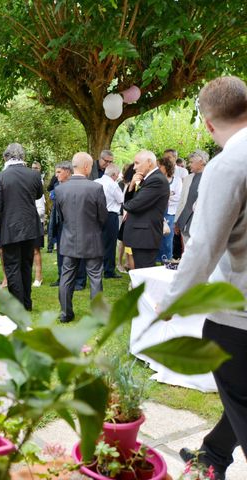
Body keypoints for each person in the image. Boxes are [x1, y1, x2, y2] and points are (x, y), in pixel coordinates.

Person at [161, 75, 247, 480]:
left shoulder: (228, 162)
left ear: (208, 124)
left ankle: (213, 457)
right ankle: (213, 454)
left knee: (240, 396)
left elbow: (203, 245)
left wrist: (174, 299)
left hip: (237, 313)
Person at [0, 144, 43, 310]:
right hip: (30, 226)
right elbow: (39, 194)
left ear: (6, 157)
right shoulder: (34, 175)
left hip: (11, 227)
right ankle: (27, 303)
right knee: (26, 265)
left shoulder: (0, 177)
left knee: (12, 267)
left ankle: (18, 306)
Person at [55, 153, 107, 323]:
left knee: (66, 277)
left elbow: (59, 218)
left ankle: (65, 313)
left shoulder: (60, 189)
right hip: (92, 238)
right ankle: (98, 316)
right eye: (91, 166)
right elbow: (103, 217)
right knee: (95, 278)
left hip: (69, 238)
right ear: (86, 167)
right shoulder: (96, 188)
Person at [122, 150, 170, 269]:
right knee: (141, 273)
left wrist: (128, 204)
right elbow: (130, 202)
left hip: (145, 237)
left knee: (144, 274)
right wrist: (132, 186)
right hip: (142, 236)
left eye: (137, 163)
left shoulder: (156, 180)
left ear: (149, 162)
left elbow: (132, 205)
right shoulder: (149, 179)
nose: (134, 167)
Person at [95, 163, 124, 278]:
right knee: (110, 244)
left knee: (98, 242)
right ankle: (109, 271)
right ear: (114, 174)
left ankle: (96, 268)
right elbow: (121, 199)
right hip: (110, 215)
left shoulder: (96, 182)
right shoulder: (113, 185)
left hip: (96, 215)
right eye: (117, 175)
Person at [175, 149, 209, 244]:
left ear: (201, 162)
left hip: (200, 227)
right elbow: (182, 201)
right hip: (184, 223)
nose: (189, 164)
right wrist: (177, 221)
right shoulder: (187, 178)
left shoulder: (211, 178)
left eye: (191, 162)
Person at [49, 162, 72, 287]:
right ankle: (61, 277)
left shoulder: (73, 185)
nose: (56, 175)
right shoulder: (57, 185)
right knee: (60, 251)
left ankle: (78, 279)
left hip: (71, 223)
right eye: (56, 172)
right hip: (58, 222)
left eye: (59, 172)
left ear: (67, 172)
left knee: (73, 252)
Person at [156, 154, 182, 261]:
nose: (157, 168)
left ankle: (167, 261)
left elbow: (178, 197)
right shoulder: (156, 179)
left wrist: (165, 195)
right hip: (157, 212)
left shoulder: (177, 180)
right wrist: (168, 194)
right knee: (156, 238)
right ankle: (155, 261)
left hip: (169, 213)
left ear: (166, 167)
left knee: (167, 239)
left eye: (159, 166)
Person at [117, 163, 136, 272]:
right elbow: (124, 200)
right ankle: (120, 262)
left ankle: (128, 262)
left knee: (128, 241)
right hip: (123, 214)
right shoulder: (124, 184)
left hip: (127, 215)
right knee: (123, 241)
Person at [31, 161, 46, 287]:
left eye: (37, 168)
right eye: (33, 168)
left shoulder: (39, 185)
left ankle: (38, 276)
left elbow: (41, 210)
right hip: (27, 223)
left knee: (36, 251)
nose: (34, 169)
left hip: (36, 222)